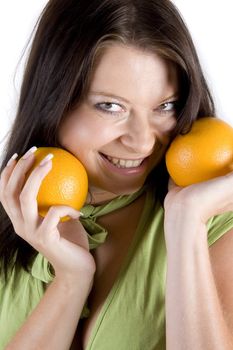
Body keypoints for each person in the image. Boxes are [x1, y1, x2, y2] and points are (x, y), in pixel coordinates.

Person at [1, 0, 233, 349]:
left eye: (164, 106)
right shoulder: (10, 216)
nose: (142, 141)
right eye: (110, 106)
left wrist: (187, 226)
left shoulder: (215, 218)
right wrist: (71, 280)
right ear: (53, 101)